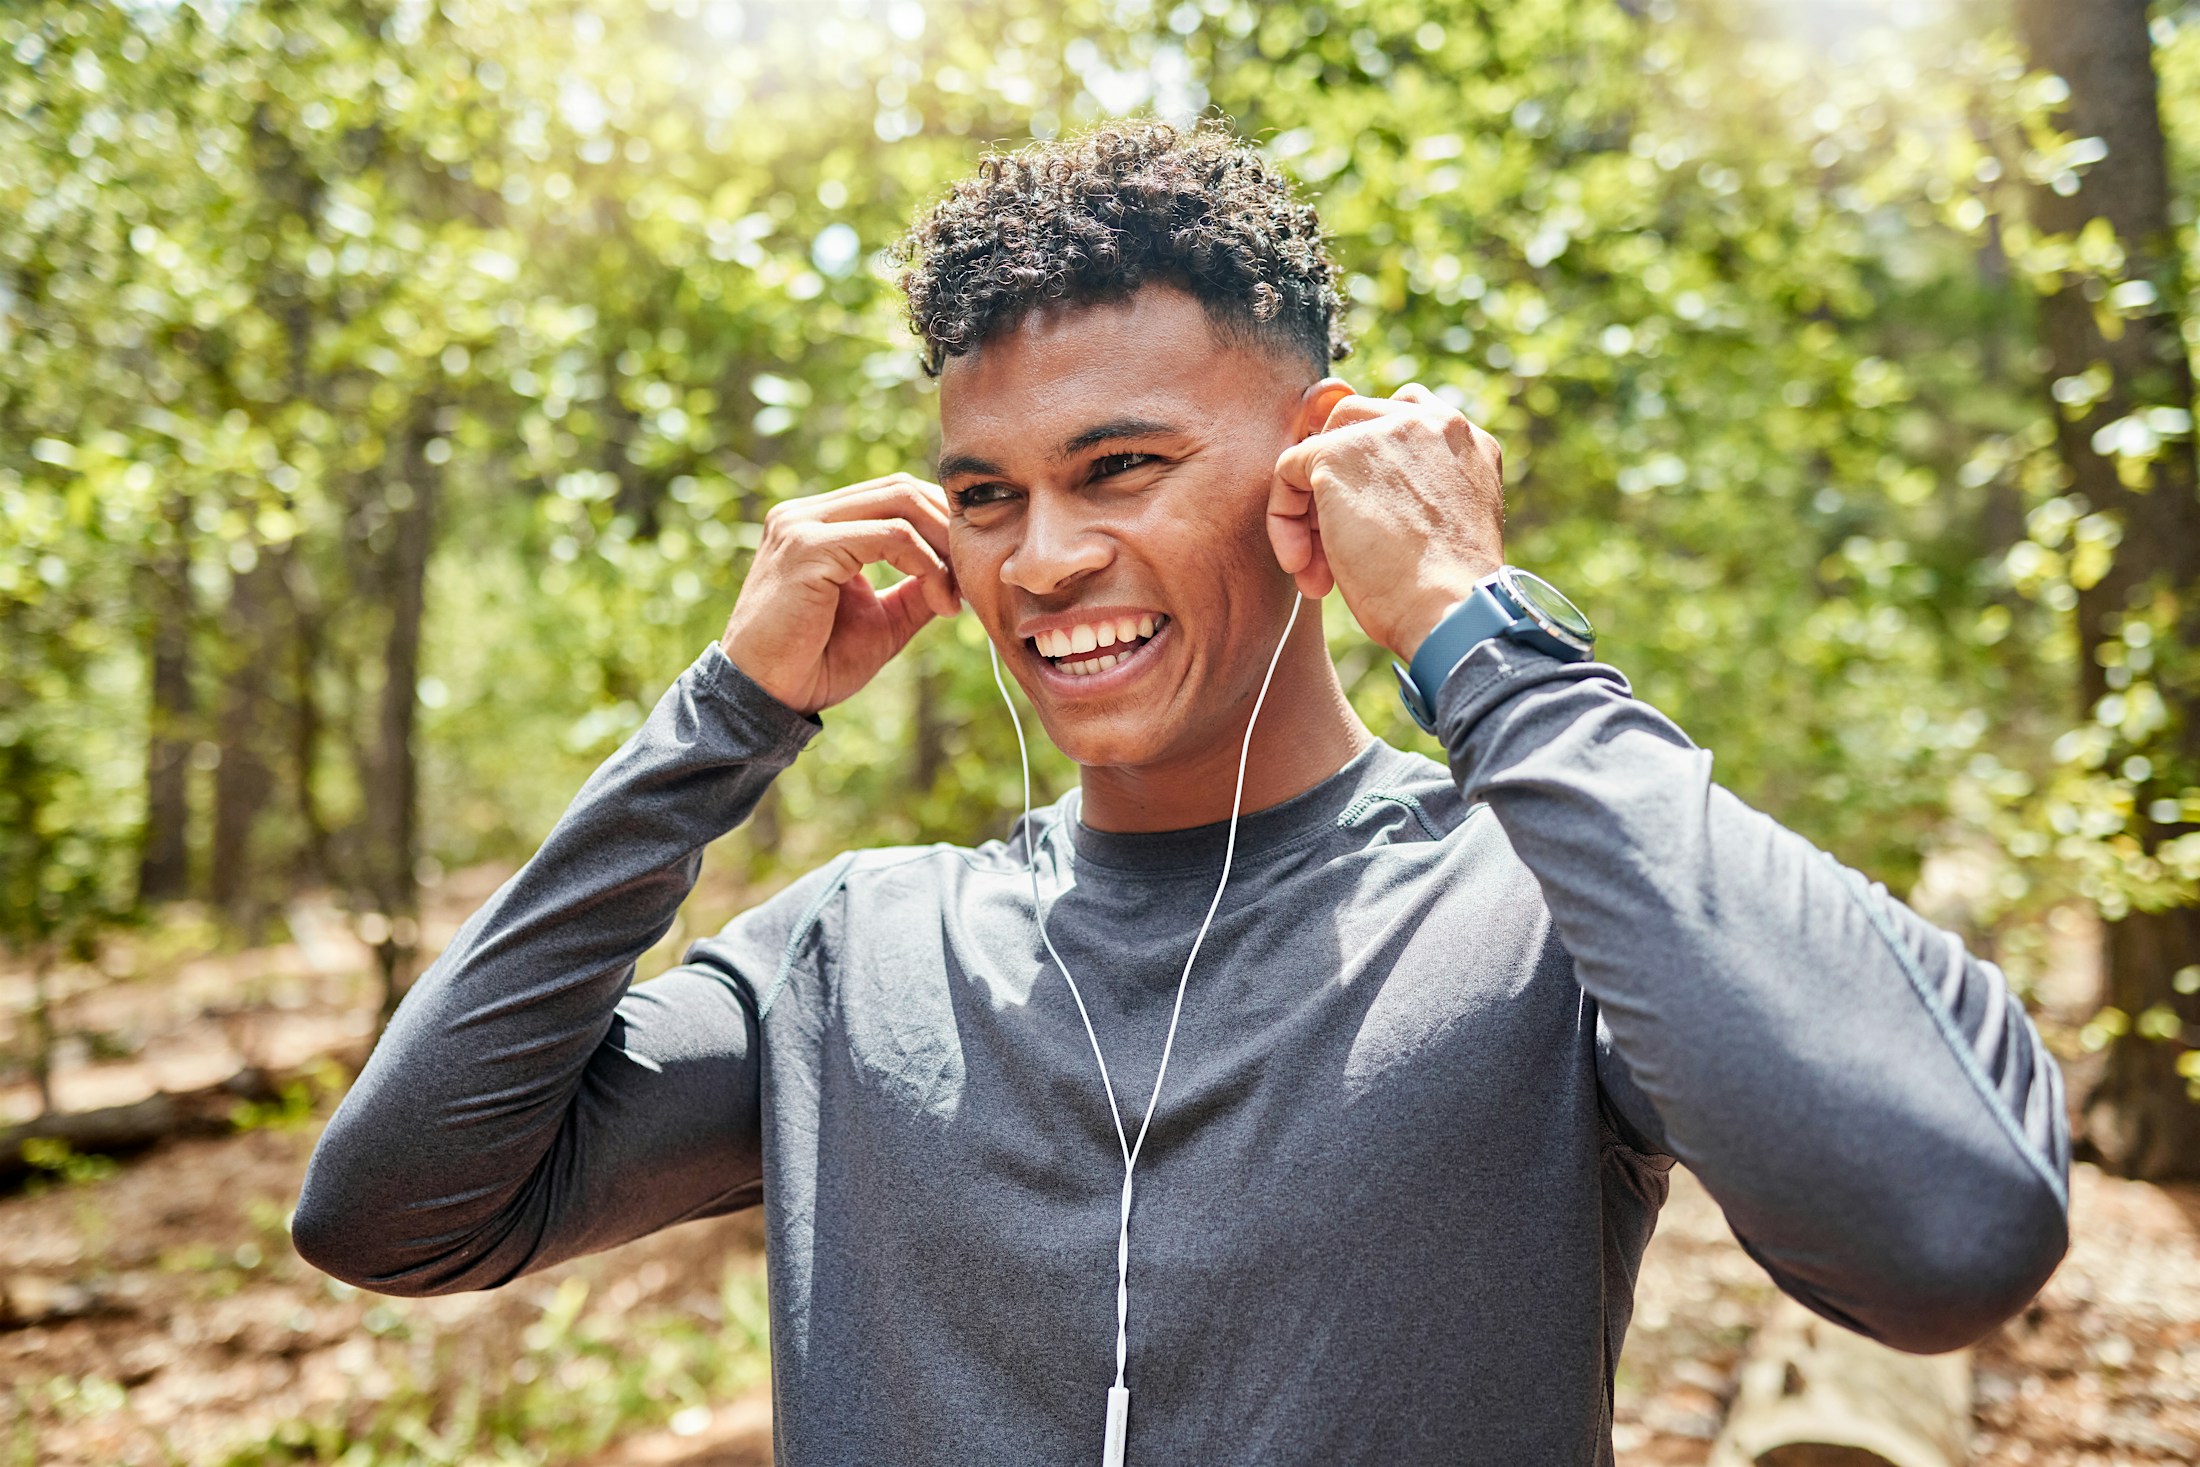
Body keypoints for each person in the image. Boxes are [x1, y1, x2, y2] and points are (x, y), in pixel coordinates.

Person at [294, 121, 2070, 1466]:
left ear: (1320, 459)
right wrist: (721, 718)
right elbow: (393, 1210)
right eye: (983, 496)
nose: (1044, 559)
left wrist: (1478, 630)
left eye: (1122, 467)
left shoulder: (1544, 911)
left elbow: (1948, 1225)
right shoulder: (851, 955)